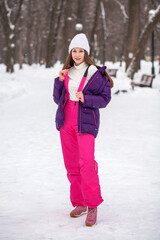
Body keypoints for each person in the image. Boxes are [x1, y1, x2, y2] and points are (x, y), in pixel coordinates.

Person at [53, 33, 113, 227]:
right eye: (74, 50)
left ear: (86, 52)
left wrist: (86, 99)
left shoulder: (95, 72)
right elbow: (57, 99)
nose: (77, 54)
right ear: (70, 52)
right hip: (66, 122)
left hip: (85, 122)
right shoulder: (67, 72)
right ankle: (79, 203)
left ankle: (93, 205)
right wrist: (58, 80)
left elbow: (105, 100)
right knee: (71, 165)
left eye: (81, 51)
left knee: (86, 164)